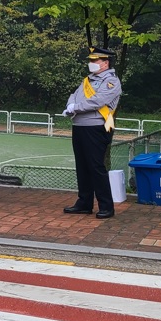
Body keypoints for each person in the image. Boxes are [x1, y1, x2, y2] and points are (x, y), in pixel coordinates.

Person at [62, 47, 123, 219]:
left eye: (95, 60)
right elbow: (74, 95)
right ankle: (84, 203)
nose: (91, 63)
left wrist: (76, 108)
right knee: (82, 166)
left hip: (96, 127)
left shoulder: (111, 81)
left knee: (96, 167)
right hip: (80, 125)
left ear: (105, 62)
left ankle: (106, 206)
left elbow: (98, 101)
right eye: (91, 60)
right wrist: (70, 105)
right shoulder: (88, 79)